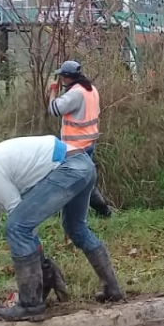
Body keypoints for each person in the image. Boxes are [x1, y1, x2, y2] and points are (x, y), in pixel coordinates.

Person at [0, 135, 124, 322]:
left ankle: (31, 305)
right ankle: (112, 289)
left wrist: (38, 253)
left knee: (16, 226)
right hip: (82, 164)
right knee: (75, 228)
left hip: (68, 168)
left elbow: (16, 211)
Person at [48, 59, 113, 218]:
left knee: (70, 181)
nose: (62, 80)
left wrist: (52, 92)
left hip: (75, 146)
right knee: (86, 182)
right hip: (89, 142)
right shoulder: (90, 89)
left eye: (62, 77)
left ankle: (72, 215)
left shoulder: (76, 93)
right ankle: (103, 212)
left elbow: (54, 109)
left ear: (67, 77)